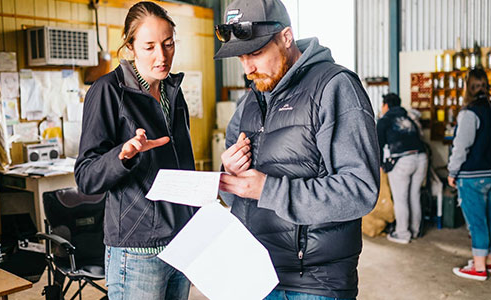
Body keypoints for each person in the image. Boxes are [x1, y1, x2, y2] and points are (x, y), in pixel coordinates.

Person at [215, 0, 380, 299]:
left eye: (255, 53)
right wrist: (231, 174)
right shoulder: (251, 102)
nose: (248, 68)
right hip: (254, 274)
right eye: (241, 57)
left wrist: (269, 189)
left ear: (286, 37)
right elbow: (236, 196)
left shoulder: (334, 87)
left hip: (313, 283)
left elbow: (360, 190)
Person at [74, 2, 195, 299]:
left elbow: (182, 169)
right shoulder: (108, 91)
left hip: (181, 245)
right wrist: (122, 155)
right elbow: (86, 177)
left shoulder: (173, 94)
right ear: (130, 46)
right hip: (137, 252)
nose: (161, 56)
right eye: (149, 46)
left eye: (168, 45)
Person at [448, 68, 491, 281]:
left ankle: (480, 267)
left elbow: (461, 146)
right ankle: (487, 260)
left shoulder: (469, 113)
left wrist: (452, 171)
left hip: (472, 176)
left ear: (468, 87)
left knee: (476, 222)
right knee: (489, 219)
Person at [376, 93, 427, 244]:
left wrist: (380, 164)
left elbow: (377, 145)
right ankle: (415, 230)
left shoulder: (384, 120)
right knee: (414, 195)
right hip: (422, 158)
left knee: (401, 199)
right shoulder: (409, 117)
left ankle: (403, 233)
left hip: (403, 160)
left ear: (385, 105)